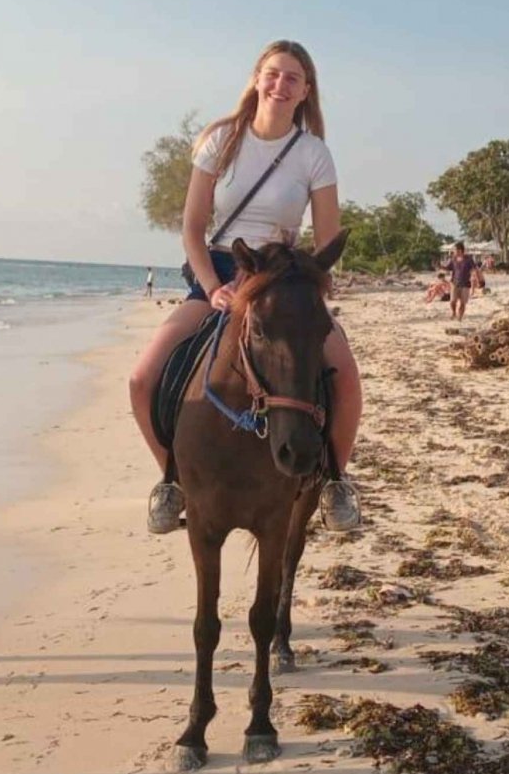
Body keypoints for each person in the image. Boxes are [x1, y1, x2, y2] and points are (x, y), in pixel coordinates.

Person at [127, 40, 362, 534]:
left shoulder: (314, 154)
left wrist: (305, 290)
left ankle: (336, 480)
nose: (280, 85)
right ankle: (171, 480)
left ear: (306, 92)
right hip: (221, 270)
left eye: (292, 78)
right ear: (257, 78)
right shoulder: (221, 139)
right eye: (273, 74)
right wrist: (212, 287)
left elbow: (326, 243)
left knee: (345, 378)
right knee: (142, 379)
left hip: (283, 277)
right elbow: (192, 229)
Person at [444, 242, 477, 321]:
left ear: (460, 250)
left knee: (463, 302)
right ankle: (454, 312)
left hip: (465, 284)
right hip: (455, 283)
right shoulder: (453, 259)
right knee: (452, 301)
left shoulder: (468, 259)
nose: (454, 252)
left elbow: (473, 269)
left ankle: (460, 316)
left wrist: (474, 277)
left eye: (455, 250)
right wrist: (440, 266)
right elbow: (448, 268)